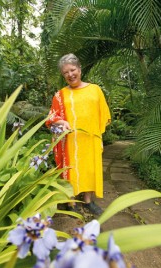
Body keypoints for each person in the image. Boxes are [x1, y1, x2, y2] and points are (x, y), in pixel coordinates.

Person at [46, 53, 111, 215]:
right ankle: (71, 200)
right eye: (65, 73)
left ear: (80, 69)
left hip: (90, 138)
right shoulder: (60, 95)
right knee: (71, 168)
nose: (70, 74)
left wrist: (98, 134)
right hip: (69, 140)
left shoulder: (95, 90)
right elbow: (52, 117)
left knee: (89, 169)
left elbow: (104, 114)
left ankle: (88, 201)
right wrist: (62, 122)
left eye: (72, 70)